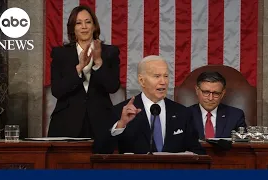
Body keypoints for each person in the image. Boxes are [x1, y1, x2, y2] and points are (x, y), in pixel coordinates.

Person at [48, 5, 120, 152]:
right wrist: (79, 68)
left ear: (94, 26)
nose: (84, 27)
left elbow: (112, 86)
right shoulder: (60, 54)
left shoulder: (109, 52)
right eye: (78, 23)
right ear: (73, 28)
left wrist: (99, 62)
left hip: (101, 122)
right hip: (66, 123)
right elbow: (57, 90)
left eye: (88, 22)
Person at [108, 55, 205, 155]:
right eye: (157, 76)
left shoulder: (183, 113)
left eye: (166, 76)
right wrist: (121, 125)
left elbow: (198, 152)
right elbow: (104, 150)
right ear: (142, 81)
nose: (163, 82)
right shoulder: (120, 112)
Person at [189, 72, 246, 140]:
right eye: (206, 92)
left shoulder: (236, 115)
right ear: (197, 90)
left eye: (216, 93)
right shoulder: (184, 115)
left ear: (222, 93)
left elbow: (242, 145)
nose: (210, 98)